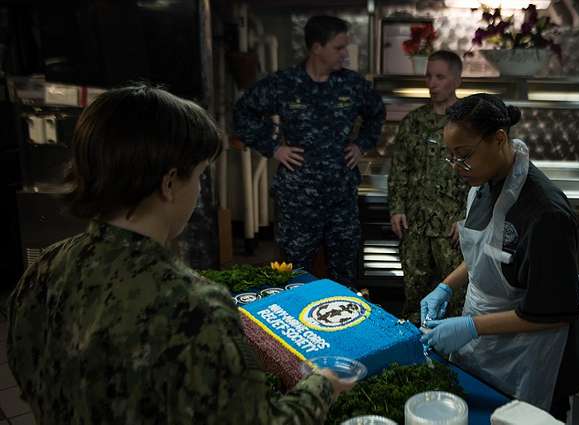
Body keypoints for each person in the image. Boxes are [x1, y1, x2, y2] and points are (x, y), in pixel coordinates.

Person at [7, 84, 351, 424]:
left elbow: (27, 376)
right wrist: (322, 386)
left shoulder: (44, 269)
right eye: (200, 175)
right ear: (169, 183)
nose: (200, 190)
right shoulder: (193, 307)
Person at [420, 94, 579, 421]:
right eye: (450, 157)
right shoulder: (485, 182)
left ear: (499, 139)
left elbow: (552, 312)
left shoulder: (545, 214)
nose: (456, 168)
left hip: (533, 351)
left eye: (464, 156)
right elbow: (488, 254)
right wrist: (445, 286)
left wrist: (470, 326)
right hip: (491, 338)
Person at [233, 15, 385, 286]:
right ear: (317, 47)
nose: (344, 55)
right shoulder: (286, 83)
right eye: (338, 48)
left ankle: (346, 328)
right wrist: (274, 148)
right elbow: (243, 112)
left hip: (341, 197)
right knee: (294, 275)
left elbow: (377, 114)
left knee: (346, 275)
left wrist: (361, 144)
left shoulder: (352, 84)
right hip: (298, 198)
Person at [387, 50, 468, 323]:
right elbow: (399, 168)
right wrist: (396, 208)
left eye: (440, 77)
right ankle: (413, 351)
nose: (432, 83)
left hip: (452, 227)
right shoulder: (414, 122)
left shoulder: (468, 123)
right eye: (429, 76)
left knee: (457, 297)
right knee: (414, 295)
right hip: (416, 225)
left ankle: (455, 355)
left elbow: (482, 176)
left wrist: (469, 218)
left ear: (456, 79)